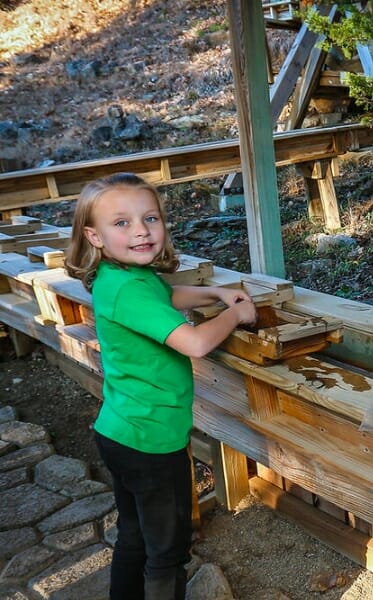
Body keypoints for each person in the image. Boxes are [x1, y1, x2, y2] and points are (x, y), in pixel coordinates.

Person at [65, 173, 257, 599]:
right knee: (168, 550)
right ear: (94, 236)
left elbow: (167, 298)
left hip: (122, 431)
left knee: (135, 535)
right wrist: (235, 315)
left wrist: (218, 294)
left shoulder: (124, 276)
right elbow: (195, 343)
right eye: (122, 223)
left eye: (150, 218)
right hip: (152, 442)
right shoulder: (129, 287)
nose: (141, 230)